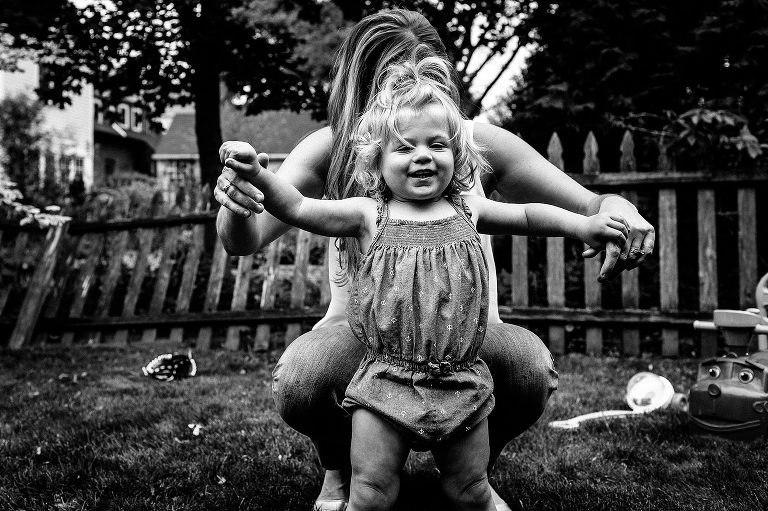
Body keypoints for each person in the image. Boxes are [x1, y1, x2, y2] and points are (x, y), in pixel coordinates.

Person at [215, 9, 654, 511]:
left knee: (530, 366)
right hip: (368, 345)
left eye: (427, 76)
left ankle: (470, 475)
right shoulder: (337, 150)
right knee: (303, 378)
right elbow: (253, 233)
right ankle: (341, 467)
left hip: (464, 343)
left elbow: (564, 209)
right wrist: (240, 195)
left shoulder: (468, 146)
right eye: (395, 83)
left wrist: (612, 209)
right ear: (364, 93)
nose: (413, 92)